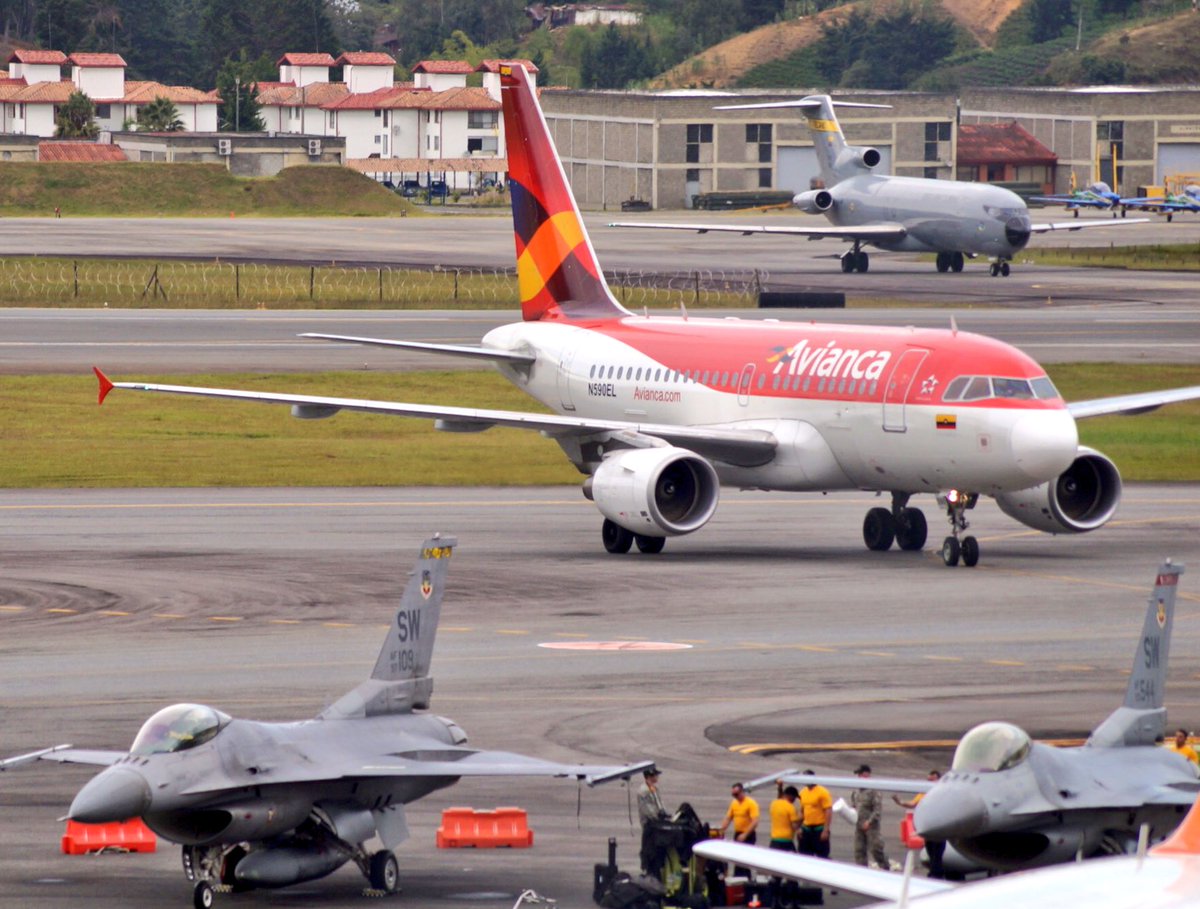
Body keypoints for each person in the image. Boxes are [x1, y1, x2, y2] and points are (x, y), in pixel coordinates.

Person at [893, 770, 944, 878]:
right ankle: (934, 873)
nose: (930, 782)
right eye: (929, 780)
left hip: (939, 828)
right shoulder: (923, 792)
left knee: (937, 853)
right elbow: (912, 804)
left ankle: (936, 875)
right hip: (928, 827)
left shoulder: (942, 792)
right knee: (931, 852)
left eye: (932, 780)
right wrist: (899, 802)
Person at [768, 782, 801, 908]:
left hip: (774, 842)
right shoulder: (790, 808)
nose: (794, 800)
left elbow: (778, 797)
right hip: (786, 843)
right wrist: (801, 818)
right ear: (791, 796)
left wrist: (779, 787)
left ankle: (775, 902)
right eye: (794, 798)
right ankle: (793, 902)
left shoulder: (774, 804)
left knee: (776, 874)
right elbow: (794, 826)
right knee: (792, 874)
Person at [851, 764, 889, 869]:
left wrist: (869, 822)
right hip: (859, 824)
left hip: (871, 826)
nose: (858, 777)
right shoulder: (856, 791)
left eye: (860, 774)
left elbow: (877, 809)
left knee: (876, 849)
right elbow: (854, 805)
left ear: (867, 774)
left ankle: (885, 868)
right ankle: (862, 871)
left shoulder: (874, 790)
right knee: (859, 850)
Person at [719, 782, 760, 879]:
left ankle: (747, 878)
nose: (735, 797)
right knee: (737, 858)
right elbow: (728, 818)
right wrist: (721, 830)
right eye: (733, 795)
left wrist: (745, 834)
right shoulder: (734, 803)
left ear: (742, 792)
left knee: (744, 859)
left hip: (748, 834)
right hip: (738, 833)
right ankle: (737, 877)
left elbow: (755, 821)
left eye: (736, 794)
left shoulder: (751, 803)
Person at [637, 768, 668, 873]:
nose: (657, 777)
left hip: (656, 823)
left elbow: (660, 804)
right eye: (655, 775)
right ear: (650, 776)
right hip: (650, 826)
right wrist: (658, 817)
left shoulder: (654, 789)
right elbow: (648, 810)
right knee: (650, 851)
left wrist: (664, 814)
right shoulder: (644, 791)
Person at [797, 770, 833, 859]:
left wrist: (825, 830)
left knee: (822, 856)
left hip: (819, 829)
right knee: (804, 855)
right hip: (806, 828)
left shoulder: (822, 792)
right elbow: (802, 811)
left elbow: (828, 810)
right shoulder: (802, 793)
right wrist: (799, 828)